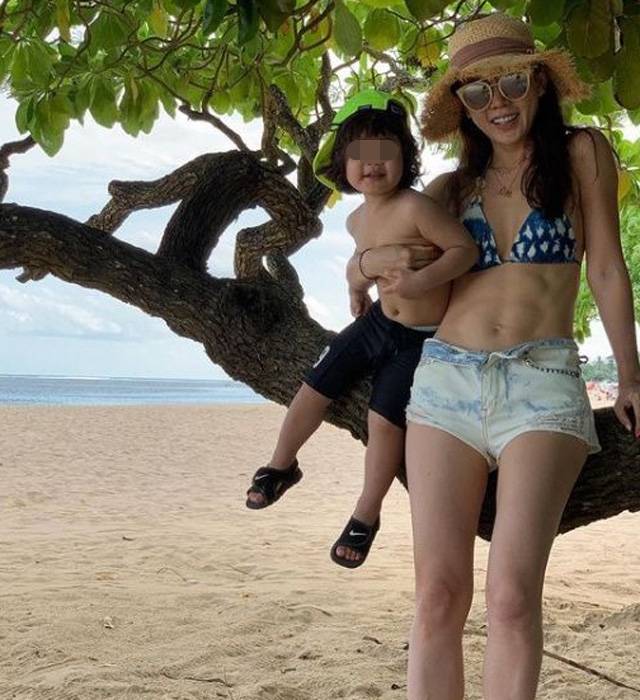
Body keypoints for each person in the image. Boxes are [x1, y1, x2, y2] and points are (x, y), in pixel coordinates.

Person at [355, 13, 640, 699]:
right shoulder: (450, 192)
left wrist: (631, 375)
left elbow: (606, 266)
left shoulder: (582, 152)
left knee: (511, 596)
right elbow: (393, 271)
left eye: (511, 82)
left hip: (542, 380)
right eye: (478, 92)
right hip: (445, 386)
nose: (498, 103)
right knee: (437, 595)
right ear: (462, 106)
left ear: (539, 82)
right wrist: (365, 264)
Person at [245, 89, 478, 568]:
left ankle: (366, 514)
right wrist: (357, 289)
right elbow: (361, 259)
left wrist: (422, 282)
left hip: (421, 339)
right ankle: (281, 463)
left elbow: (464, 251)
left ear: (405, 158)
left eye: (385, 152)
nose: (372, 164)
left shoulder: (416, 207)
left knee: (383, 421)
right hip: (377, 323)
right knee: (315, 385)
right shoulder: (355, 218)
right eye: (360, 154)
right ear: (343, 164)